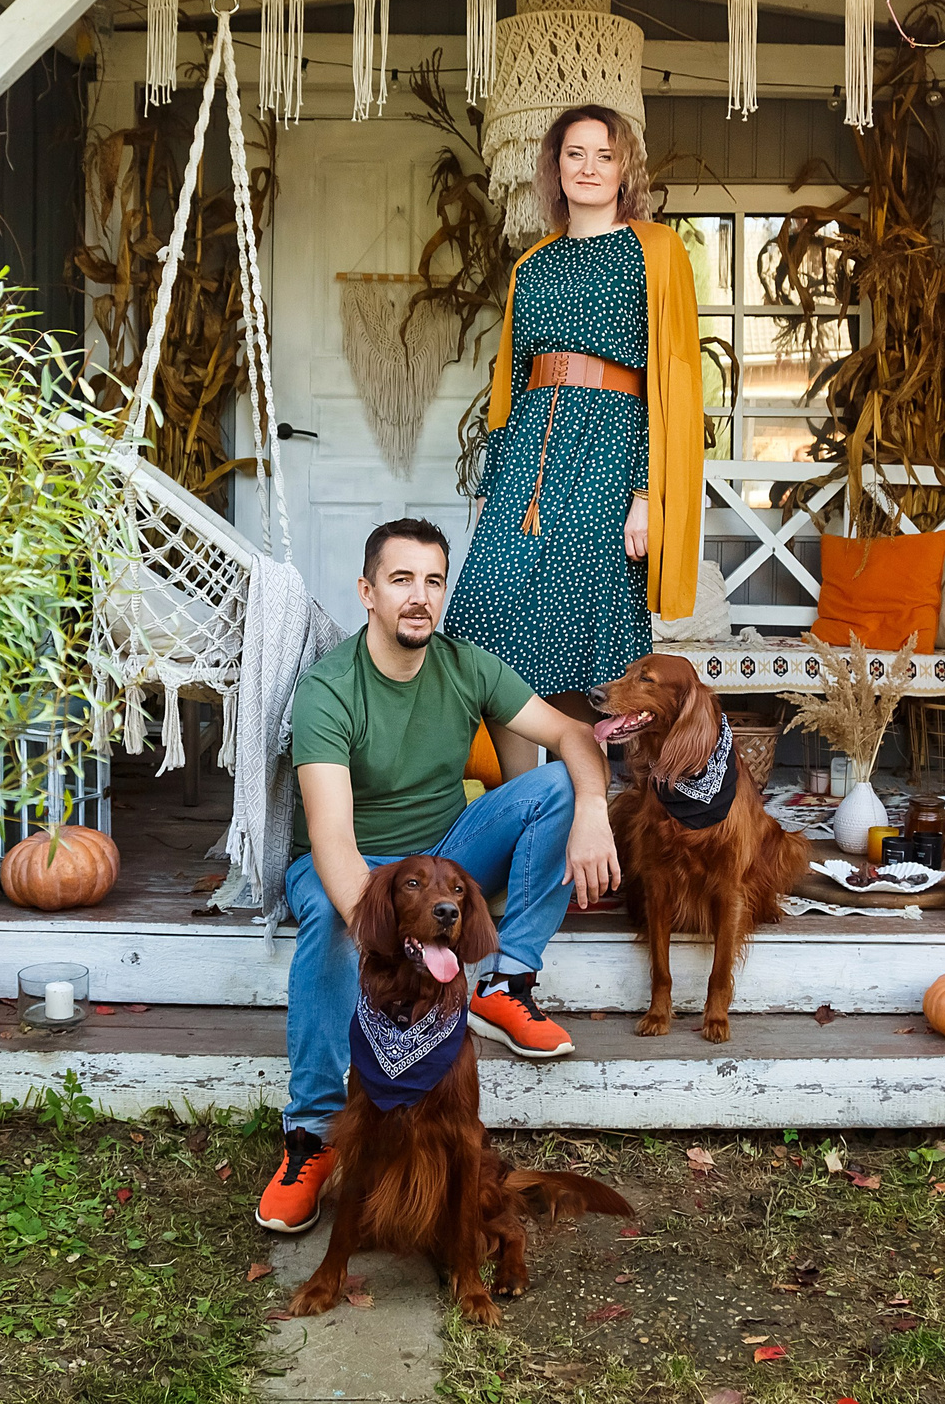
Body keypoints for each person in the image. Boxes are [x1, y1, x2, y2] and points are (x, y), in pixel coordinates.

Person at [256, 518, 621, 1234]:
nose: (419, 597)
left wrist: (594, 809)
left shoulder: (466, 664)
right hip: (353, 863)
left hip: (443, 857)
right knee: (333, 921)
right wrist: (395, 931)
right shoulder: (329, 691)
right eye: (400, 580)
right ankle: (310, 1137)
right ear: (367, 592)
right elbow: (332, 840)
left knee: (555, 790)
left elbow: (573, 733)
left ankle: (508, 982)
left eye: (432, 581)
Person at [444, 105, 705, 776]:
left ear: (625, 169)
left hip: (611, 451)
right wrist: (490, 488)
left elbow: (668, 379)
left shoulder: (655, 250)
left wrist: (647, 494)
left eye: (604, 155)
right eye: (574, 154)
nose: (588, 168)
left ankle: (589, 805)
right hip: (530, 453)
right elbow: (509, 381)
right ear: (555, 168)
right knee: (485, 607)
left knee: (585, 625)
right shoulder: (531, 265)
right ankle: (522, 797)